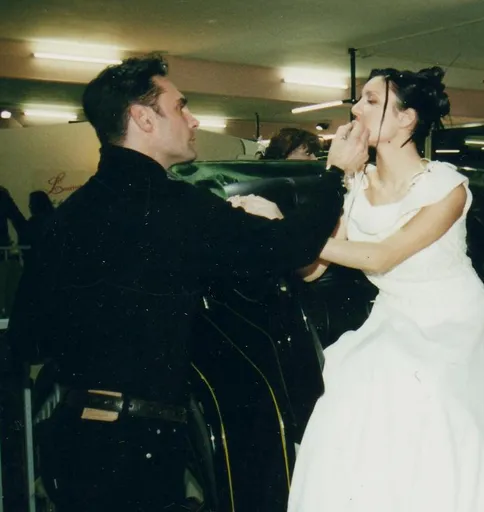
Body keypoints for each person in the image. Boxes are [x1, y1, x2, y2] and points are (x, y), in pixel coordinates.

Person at [6, 54, 369, 512]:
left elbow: (28, 340)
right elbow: (288, 248)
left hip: (74, 441)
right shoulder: (176, 207)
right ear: (143, 119)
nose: (193, 119)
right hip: (141, 449)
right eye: (180, 107)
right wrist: (335, 174)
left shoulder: (69, 217)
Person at [284, 66, 484, 512]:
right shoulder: (353, 187)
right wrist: (322, 191)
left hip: (456, 320)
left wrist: (290, 231)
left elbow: (383, 256)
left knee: (432, 396)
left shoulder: (445, 185)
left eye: (371, 100)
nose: (356, 109)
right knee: (349, 385)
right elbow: (313, 270)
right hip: (393, 319)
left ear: (407, 119)